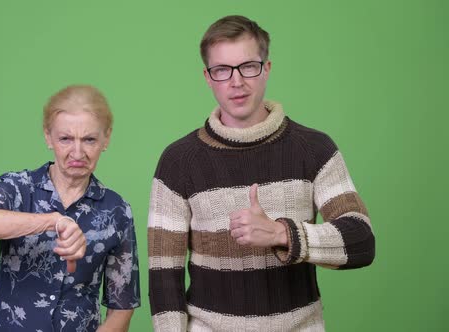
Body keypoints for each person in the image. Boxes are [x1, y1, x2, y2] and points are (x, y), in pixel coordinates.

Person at [147, 15, 375, 331]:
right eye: (222, 70)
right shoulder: (178, 161)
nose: (236, 81)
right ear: (208, 77)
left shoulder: (314, 149)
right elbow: (163, 276)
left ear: (266, 69)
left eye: (248, 67)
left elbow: (361, 242)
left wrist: (282, 234)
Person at [0, 85, 140, 332]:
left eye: (89, 139)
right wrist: (52, 220)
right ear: (48, 137)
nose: (77, 153)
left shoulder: (117, 211)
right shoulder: (18, 187)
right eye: (65, 138)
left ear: (106, 138)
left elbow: (122, 306)